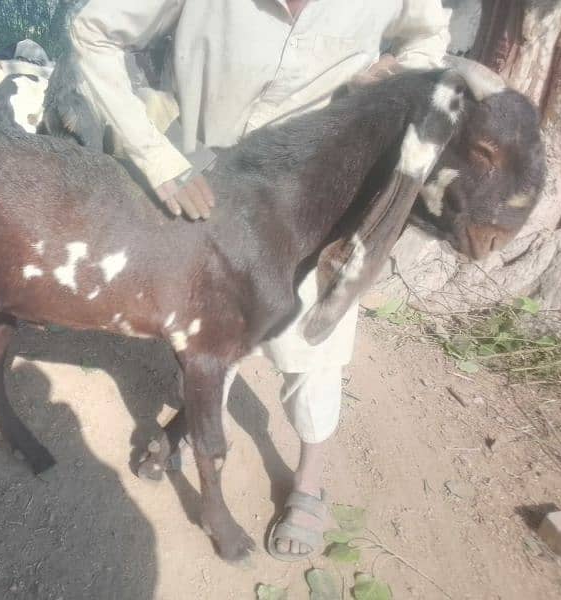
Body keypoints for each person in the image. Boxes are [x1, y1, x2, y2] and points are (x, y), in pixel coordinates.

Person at [69, 0, 451, 561]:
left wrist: (396, 76)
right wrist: (158, 159)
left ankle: (308, 483)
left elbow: (428, 37)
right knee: (207, 334)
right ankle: (191, 423)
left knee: (313, 345)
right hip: (206, 187)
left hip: (319, 198)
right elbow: (94, 30)